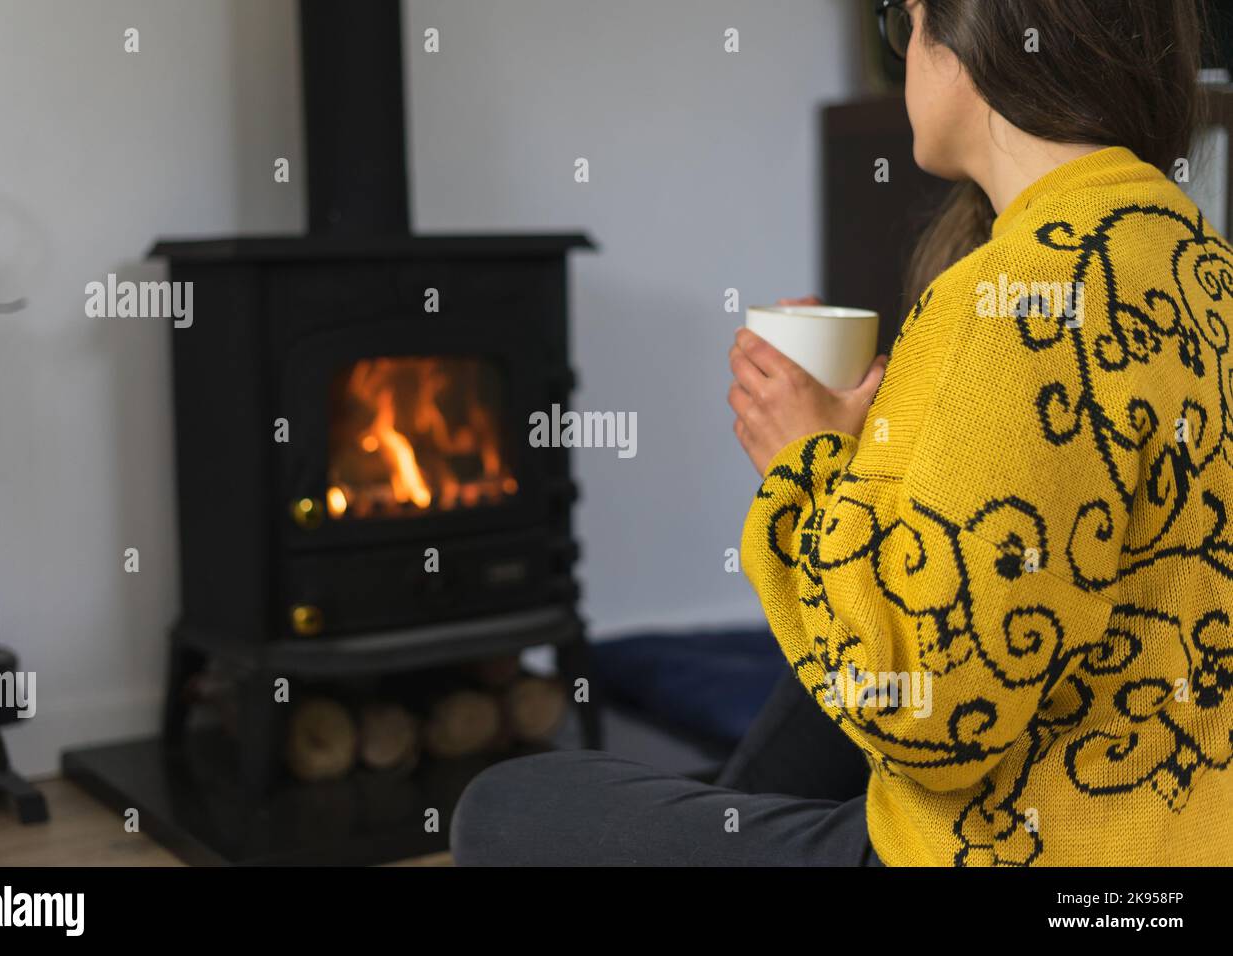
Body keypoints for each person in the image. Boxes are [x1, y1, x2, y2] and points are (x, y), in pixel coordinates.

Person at [452, 0, 1230, 866]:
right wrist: (882, 448)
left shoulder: (1011, 296)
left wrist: (806, 462)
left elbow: (928, 715)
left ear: (967, 41)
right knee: (754, 769)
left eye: (906, 27)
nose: (903, 58)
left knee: (504, 806)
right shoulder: (1202, 265)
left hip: (1028, 855)